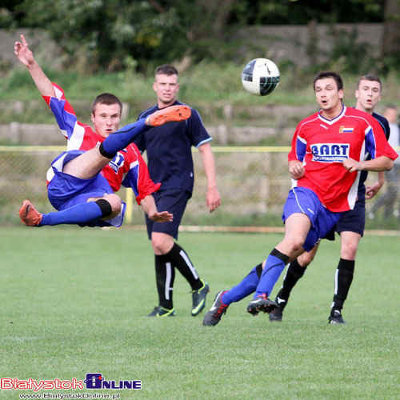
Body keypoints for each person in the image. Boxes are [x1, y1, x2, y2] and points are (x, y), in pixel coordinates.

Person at [203, 71, 397, 326]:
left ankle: (226, 298)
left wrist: (361, 165)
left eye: (329, 89)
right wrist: (294, 166)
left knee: (290, 253)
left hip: (335, 206)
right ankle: (262, 295)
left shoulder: (363, 122)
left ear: (340, 93)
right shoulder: (306, 126)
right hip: (306, 193)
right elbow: (295, 159)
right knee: (293, 240)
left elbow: (387, 161)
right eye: (318, 90)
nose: (323, 94)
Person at [14, 35, 190, 228]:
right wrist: (31, 64)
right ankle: (145, 123)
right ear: (93, 117)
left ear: (120, 117)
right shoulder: (78, 131)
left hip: (92, 204)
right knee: (103, 152)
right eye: (103, 116)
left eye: (114, 117)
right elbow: (52, 96)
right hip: (64, 186)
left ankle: (41, 220)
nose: (109, 122)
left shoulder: (131, 154)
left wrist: (153, 213)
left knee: (115, 202)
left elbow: (144, 190)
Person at [268, 74, 391, 324]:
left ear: (379, 96)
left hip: (353, 196)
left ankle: (336, 310)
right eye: (365, 89)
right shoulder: (337, 117)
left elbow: (382, 156)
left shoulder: (378, 124)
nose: (369, 94)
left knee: (350, 247)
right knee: (305, 254)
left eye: (374, 90)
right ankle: (281, 299)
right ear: (353, 93)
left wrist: (379, 181)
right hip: (323, 197)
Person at [135, 64, 221, 317]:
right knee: (159, 245)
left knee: (162, 241)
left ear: (177, 87)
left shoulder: (187, 114)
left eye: (172, 84)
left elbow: (205, 149)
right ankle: (166, 305)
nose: (167, 88)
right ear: (155, 86)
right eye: (163, 83)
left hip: (178, 184)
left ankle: (199, 285)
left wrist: (212, 187)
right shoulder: (146, 118)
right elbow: (134, 154)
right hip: (152, 188)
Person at [369, 105, 400, 219]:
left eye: (394, 114)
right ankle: (373, 210)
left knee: (394, 190)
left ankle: (388, 216)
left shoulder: (397, 127)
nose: (392, 117)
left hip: (398, 163)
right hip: (388, 162)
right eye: (390, 114)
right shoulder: (382, 127)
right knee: (393, 189)